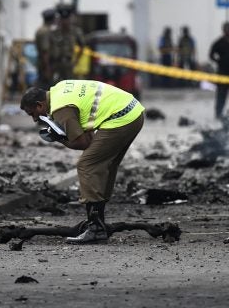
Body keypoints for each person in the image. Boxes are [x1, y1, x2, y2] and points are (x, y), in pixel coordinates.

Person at [20, 80, 144, 244]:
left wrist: (59, 139)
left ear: (39, 105)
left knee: (87, 165)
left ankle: (95, 228)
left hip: (121, 118)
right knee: (104, 163)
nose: (35, 119)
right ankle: (98, 223)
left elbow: (83, 143)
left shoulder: (60, 109)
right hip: (133, 112)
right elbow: (89, 135)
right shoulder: (59, 88)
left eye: (33, 114)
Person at [49, 5, 85, 82]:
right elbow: (49, 47)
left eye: (66, 19)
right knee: (54, 84)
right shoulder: (54, 32)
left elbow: (82, 46)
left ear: (69, 19)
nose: (64, 22)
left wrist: (76, 60)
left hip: (68, 63)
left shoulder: (75, 31)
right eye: (62, 19)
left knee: (69, 84)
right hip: (56, 63)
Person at [35, 8, 55, 88]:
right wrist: (47, 68)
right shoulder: (45, 31)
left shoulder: (42, 29)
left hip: (44, 63)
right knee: (45, 87)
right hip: (46, 64)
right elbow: (45, 51)